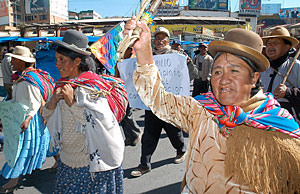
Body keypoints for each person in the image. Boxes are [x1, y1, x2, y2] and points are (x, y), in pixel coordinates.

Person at [124, 17, 300, 193]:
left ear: (254, 78)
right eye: (217, 71)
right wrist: (144, 51)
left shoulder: (279, 125)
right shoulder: (201, 109)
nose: (223, 80)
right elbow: (157, 100)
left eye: (234, 70)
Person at [42, 30, 124, 193]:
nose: (57, 64)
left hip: (89, 165)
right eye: (57, 59)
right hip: (67, 161)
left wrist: (72, 103)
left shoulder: (92, 88)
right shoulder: (61, 86)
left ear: (77, 61)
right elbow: (45, 116)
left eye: (62, 60)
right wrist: (52, 102)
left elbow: (103, 123)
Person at [130, 27, 186, 177]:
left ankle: (181, 150)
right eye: (157, 38)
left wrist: (186, 64)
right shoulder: (148, 57)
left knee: (174, 132)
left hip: (169, 104)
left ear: (168, 40)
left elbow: (189, 76)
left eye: (163, 38)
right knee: (149, 136)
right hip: (151, 104)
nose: (160, 41)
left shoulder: (176, 56)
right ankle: (144, 164)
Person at [0, 46, 55, 193]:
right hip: (27, 117)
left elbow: (35, 102)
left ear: (22, 62)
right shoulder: (23, 77)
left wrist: (28, 119)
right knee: (45, 142)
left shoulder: (28, 80)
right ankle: (59, 159)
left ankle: (13, 181)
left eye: (15, 60)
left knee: (22, 149)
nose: (11, 63)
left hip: (30, 119)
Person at [260, 26, 300, 124]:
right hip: (263, 121)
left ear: (287, 46)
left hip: (289, 124)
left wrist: (288, 92)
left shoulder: (297, 67)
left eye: (276, 43)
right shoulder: (262, 68)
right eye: (268, 44)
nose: (270, 47)